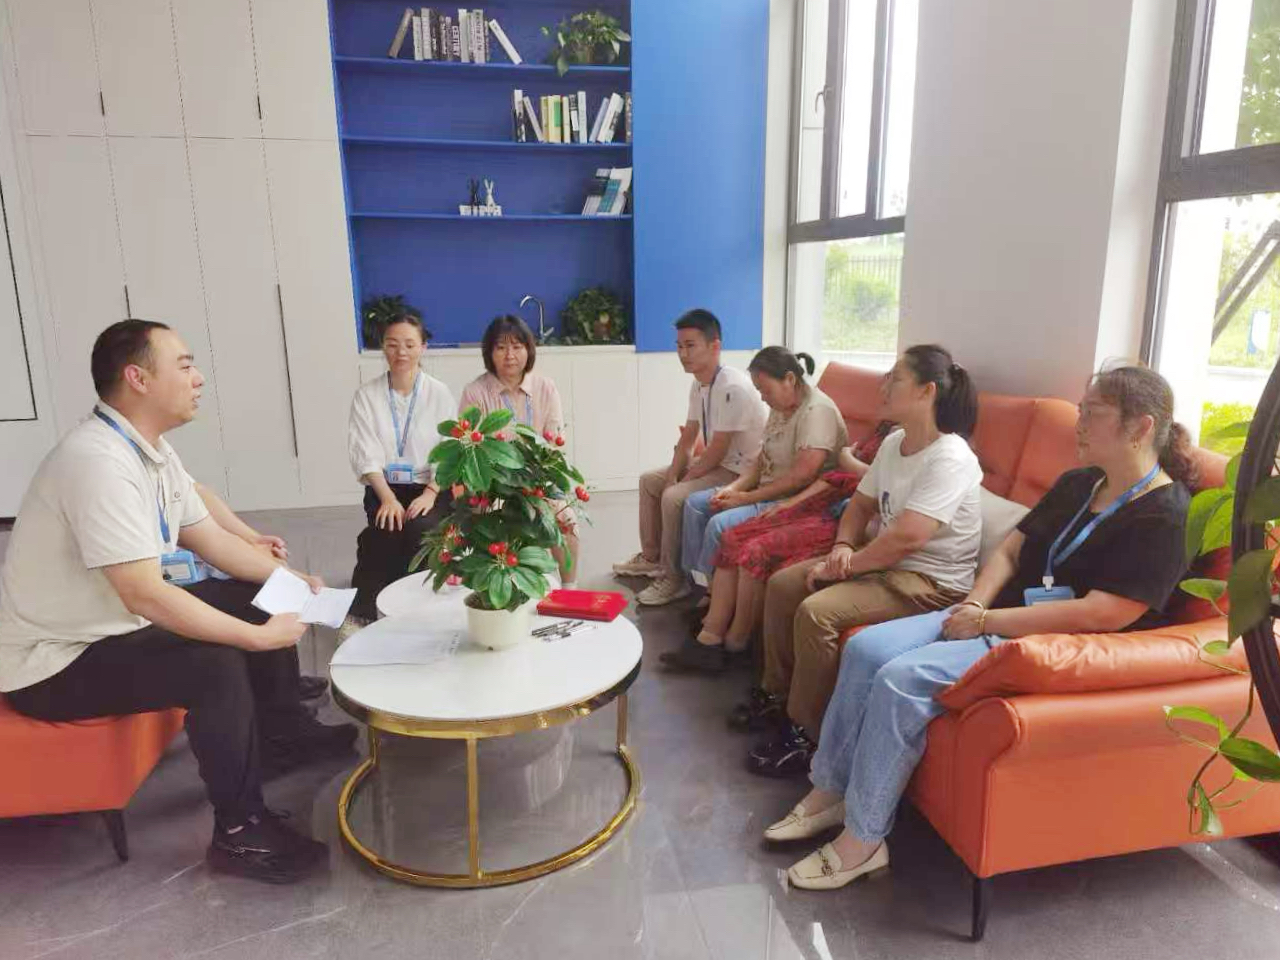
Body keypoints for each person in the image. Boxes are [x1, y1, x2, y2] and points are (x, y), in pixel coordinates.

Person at [766, 365, 1193, 890]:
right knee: (866, 650)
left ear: (1141, 427)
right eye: (1080, 409)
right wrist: (974, 603)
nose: (1078, 422)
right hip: (993, 618)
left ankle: (863, 840)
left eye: (1094, 412)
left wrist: (989, 621)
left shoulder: (1166, 516)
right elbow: (1011, 550)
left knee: (900, 681)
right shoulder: (1081, 482)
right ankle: (831, 789)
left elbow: (1102, 614)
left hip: (1048, 646)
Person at [0, 320, 356, 884]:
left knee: (255, 594)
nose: (199, 378)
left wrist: (290, 579)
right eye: (185, 365)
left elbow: (209, 538)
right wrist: (256, 638)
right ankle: (240, 832)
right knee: (213, 663)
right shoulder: (97, 462)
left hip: (111, 626)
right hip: (54, 662)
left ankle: (282, 734)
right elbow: (144, 592)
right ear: (138, 378)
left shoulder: (151, 452)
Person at [746, 345, 982, 775]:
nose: (883, 385)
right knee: (783, 585)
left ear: (927, 391)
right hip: (888, 567)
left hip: (929, 583)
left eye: (895, 378)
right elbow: (860, 506)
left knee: (817, 613)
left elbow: (908, 538)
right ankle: (775, 697)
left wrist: (844, 567)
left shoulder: (951, 457)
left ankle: (805, 735)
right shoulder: (894, 443)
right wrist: (842, 547)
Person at [662, 347, 849, 672]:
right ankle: (710, 602)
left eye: (765, 390)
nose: (762, 398)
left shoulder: (816, 411)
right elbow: (761, 461)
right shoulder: (782, 406)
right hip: (769, 491)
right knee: (703, 505)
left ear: (789, 379)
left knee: (722, 525)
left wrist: (746, 499)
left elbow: (802, 477)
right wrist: (734, 489)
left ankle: (718, 624)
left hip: (801, 502)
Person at [693, 421, 895, 686]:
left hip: (845, 512)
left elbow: (873, 483)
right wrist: (790, 503)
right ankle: (711, 631)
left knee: (755, 549)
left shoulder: (916, 444)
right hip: (833, 497)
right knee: (733, 535)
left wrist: (847, 459)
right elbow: (838, 476)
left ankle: (736, 640)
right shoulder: (887, 431)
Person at [612, 309, 767, 606]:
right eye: (679, 346)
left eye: (691, 345)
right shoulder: (699, 384)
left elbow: (717, 449)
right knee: (651, 481)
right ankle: (652, 558)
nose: (683, 354)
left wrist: (681, 481)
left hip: (741, 472)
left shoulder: (732, 387)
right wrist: (673, 473)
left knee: (673, 496)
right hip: (718, 463)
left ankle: (674, 579)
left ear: (715, 346)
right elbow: (689, 437)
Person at [342, 314, 456, 636]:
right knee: (384, 531)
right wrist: (388, 498)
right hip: (384, 487)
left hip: (430, 486)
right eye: (392, 344)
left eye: (409, 344)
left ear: (423, 347)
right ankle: (361, 615)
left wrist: (431, 493)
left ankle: (420, 614)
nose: (401, 352)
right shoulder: (367, 395)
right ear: (383, 347)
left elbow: (450, 450)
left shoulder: (439, 393)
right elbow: (365, 452)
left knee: (422, 529)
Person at [459, 315, 577, 586]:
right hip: (494, 482)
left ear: (528, 349)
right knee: (491, 522)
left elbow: (554, 441)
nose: (509, 355)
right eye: (501, 347)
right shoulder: (475, 392)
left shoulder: (545, 387)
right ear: (489, 353)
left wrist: (537, 482)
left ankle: (570, 588)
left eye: (517, 346)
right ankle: (499, 584)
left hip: (538, 478)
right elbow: (471, 447)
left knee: (566, 518)